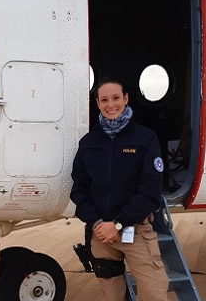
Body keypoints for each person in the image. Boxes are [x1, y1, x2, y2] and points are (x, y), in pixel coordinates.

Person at [70, 78, 169, 301]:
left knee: (154, 294)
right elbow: (79, 191)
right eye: (104, 100)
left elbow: (150, 194)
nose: (110, 104)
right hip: (101, 236)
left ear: (125, 99)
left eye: (116, 98)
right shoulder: (89, 143)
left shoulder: (144, 139)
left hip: (134, 232)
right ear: (97, 103)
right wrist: (97, 223)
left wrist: (117, 224)